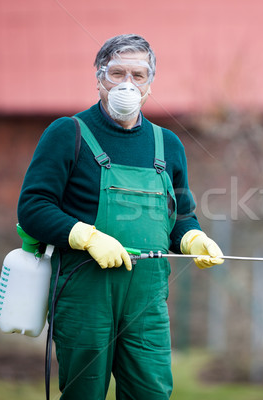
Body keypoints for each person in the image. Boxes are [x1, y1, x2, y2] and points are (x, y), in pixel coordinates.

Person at [17, 33, 224, 400]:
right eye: (117, 73)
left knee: (152, 392)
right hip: (84, 296)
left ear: (150, 83)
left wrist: (193, 237)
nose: (127, 84)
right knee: (84, 393)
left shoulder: (168, 145)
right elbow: (33, 207)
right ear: (99, 77)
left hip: (147, 303)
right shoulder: (69, 134)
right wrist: (87, 236)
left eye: (138, 75)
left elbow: (181, 216)